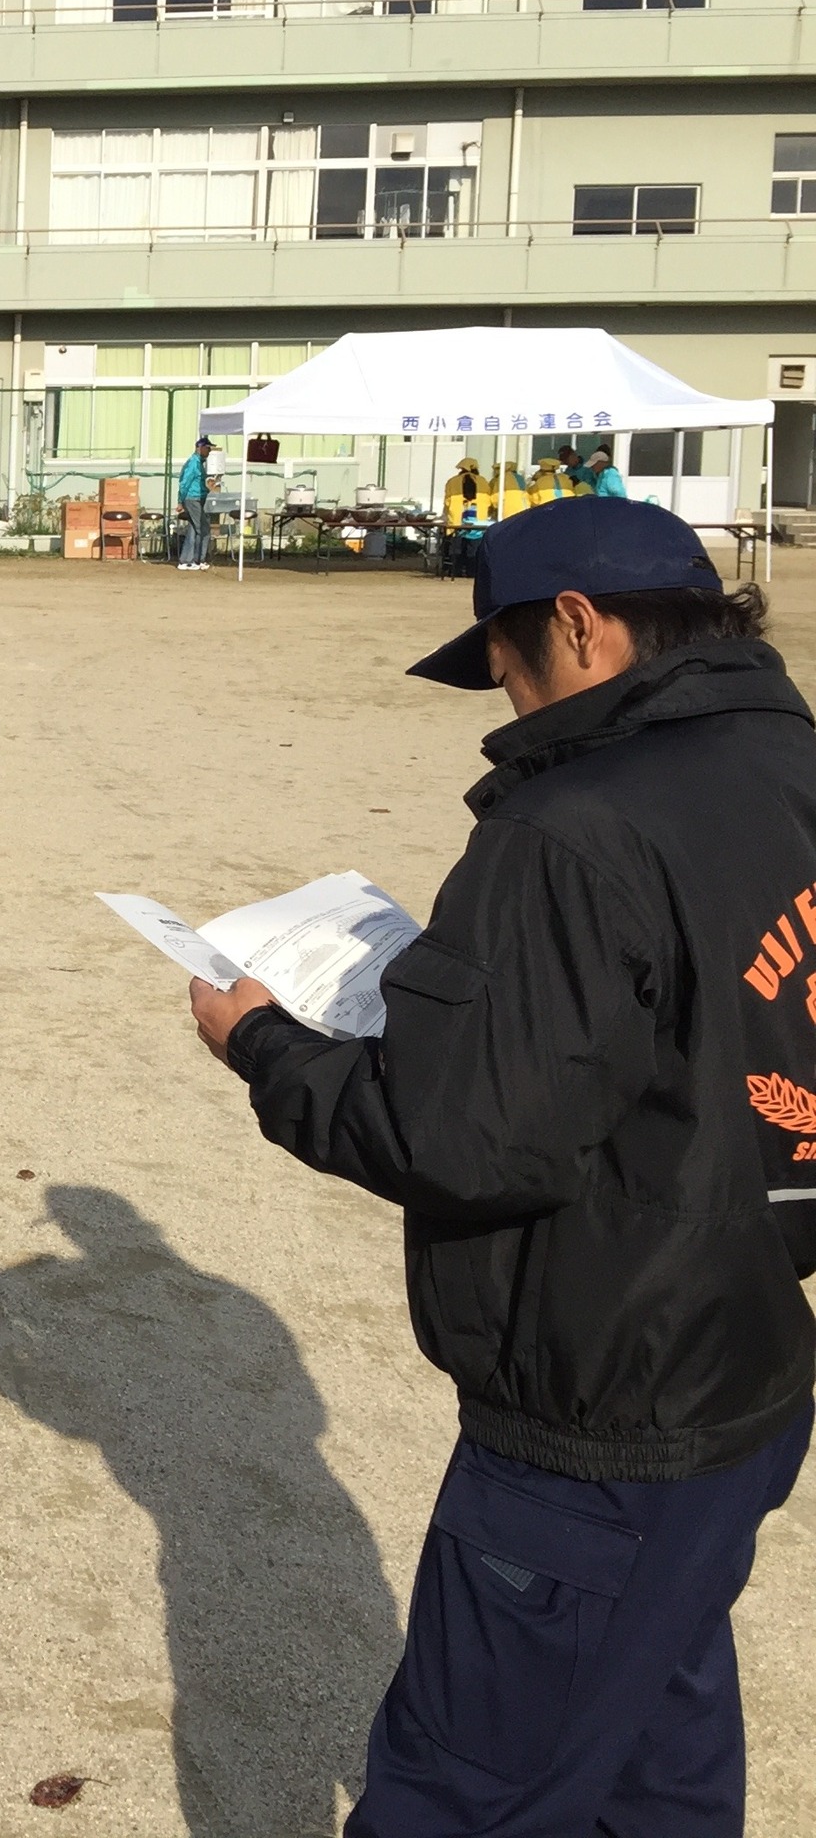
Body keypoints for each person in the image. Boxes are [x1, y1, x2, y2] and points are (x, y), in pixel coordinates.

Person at [186, 494, 815, 1833]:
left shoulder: (569, 828)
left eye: (509, 664)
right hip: (746, 1367)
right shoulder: (790, 767)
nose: (509, 703)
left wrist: (264, 1045)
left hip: (600, 1412)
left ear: (578, 628)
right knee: (657, 1765)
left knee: (459, 1794)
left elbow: (457, 1139)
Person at [175, 435, 216, 570]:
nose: (209, 452)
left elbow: (197, 483)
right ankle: (198, 559)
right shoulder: (193, 463)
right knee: (203, 529)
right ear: (200, 448)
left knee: (193, 529)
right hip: (192, 499)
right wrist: (180, 501)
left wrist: (207, 489)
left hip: (197, 498)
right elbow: (184, 483)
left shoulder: (199, 463)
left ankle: (186, 560)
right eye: (208, 448)